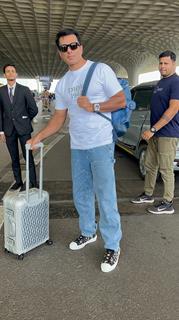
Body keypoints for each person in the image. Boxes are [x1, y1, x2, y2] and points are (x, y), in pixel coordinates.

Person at [27, 28, 126, 273]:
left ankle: (113, 245)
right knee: (81, 194)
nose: (69, 51)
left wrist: (94, 105)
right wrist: (37, 136)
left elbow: (120, 100)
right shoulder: (63, 83)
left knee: (106, 196)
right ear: (60, 53)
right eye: (64, 48)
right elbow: (59, 118)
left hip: (101, 143)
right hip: (78, 145)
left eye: (73, 45)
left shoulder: (101, 70)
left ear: (81, 47)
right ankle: (88, 232)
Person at [131, 50, 179, 214]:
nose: (162, 66)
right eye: (160, 63)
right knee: (150, 165)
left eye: (166, 63)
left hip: (168, 133)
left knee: (166, 169)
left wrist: (153, 129)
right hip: (156, 133)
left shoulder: (175, 82)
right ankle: (148, 194)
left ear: (173, 63)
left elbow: (173, 109)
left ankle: (168, 203)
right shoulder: (161, 82)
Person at [0, 64, 38, 191]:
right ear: (5, 75)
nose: (10, 73)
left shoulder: (24, 89)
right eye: (7, 71)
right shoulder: (1, 91)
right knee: (14, 157)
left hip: (24, 129)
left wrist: (25, 118)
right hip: (8, 130)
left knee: (28, 156)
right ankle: (18, 181)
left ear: (16, 74)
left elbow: (34, 109)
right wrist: (1, 131)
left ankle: (32, 182)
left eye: (12, 71)